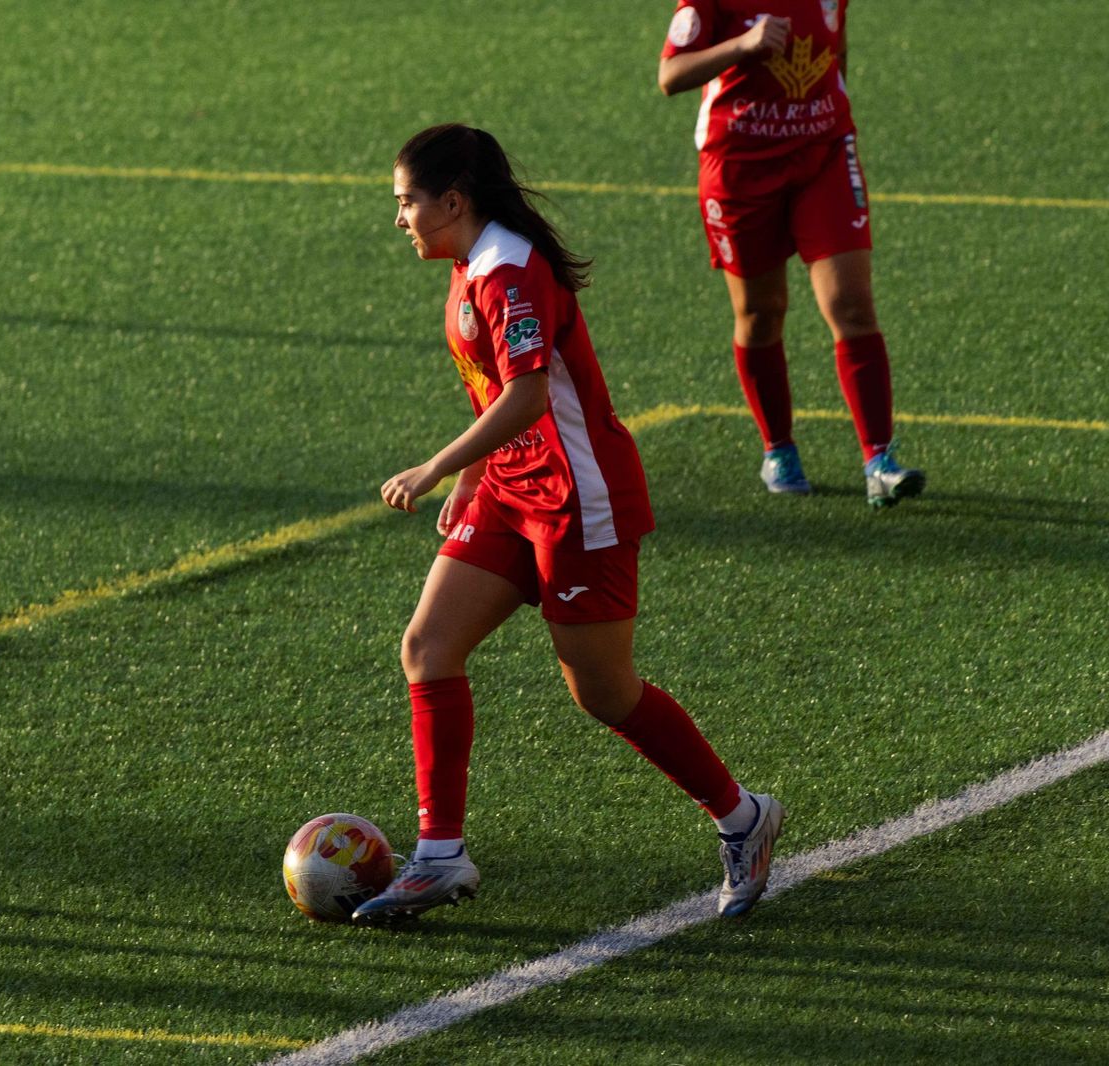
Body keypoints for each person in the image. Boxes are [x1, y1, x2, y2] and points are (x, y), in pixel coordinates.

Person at [353, 124, 783, 926]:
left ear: (454, 200)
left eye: (406, 202)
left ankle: (744, 818)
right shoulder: (467, 265)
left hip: (579, 501)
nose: (400, 218)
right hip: (513, 492)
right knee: (428, 646)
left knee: (604, 693)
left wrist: (438, 465)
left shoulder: (511, 271)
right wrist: (480, 475)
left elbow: (527, 395)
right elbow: (494, 389)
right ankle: (439, 855)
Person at [658, 0, 925, 507]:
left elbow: (836, 54)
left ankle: (879, 460)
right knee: (760, 314)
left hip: (823, 155)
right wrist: (744, 45)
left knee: (851, 303)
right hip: (738, 168)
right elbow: (670, 75)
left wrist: (827, 117)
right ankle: (778, 448)